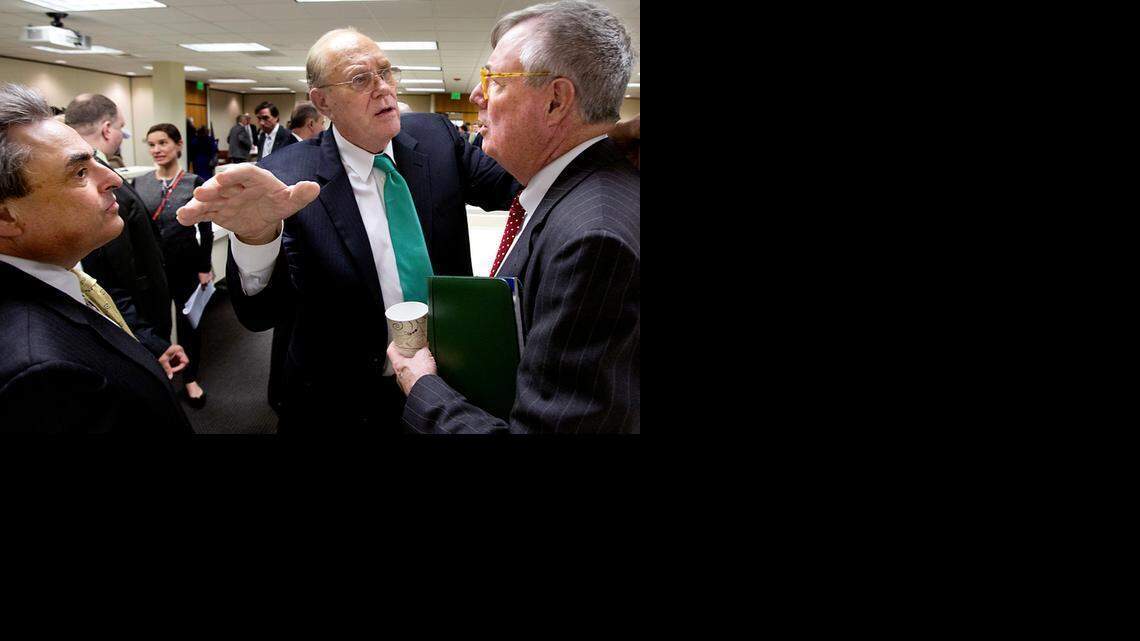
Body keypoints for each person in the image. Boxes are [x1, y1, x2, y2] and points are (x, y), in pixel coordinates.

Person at [178, 27, 521, 432]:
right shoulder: (284, 177)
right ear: (321, 101)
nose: (383, 88)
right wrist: (256, 238)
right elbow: (259, 315)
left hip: (448, 378)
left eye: (386, 72)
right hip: (340, 397)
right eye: (361, 79)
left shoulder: (436, 138)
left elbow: (512, 185)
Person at [387, 0, 640, 434]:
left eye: (493, 79)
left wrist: (423, 387)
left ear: (556, 101)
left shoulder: (592, 239)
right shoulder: (573, 193)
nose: (476, 95)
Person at [0, 82, 192, 434]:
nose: (115, 179)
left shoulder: (58, 274)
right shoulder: (38, 375)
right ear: (5, 217)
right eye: (79, 173)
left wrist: (136, 354)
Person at [63, 93, 188, 376]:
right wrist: (150, 340)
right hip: (137, 319)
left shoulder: (86, 180)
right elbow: (111, 275)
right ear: (107, 129)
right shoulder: (103, 187)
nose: (121, 135)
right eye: (120, 127)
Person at [134, 123, 213, 408]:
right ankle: (163, 372)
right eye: (151, 144)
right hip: (152, 266)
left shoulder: (194, 182)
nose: (156, 150)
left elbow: (205, 230)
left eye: (163, 143)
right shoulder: (140, 183)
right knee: (157, 323)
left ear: (178, 145)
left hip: (186, 264)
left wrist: (205, 266)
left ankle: (191, 377)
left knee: (189, 322)